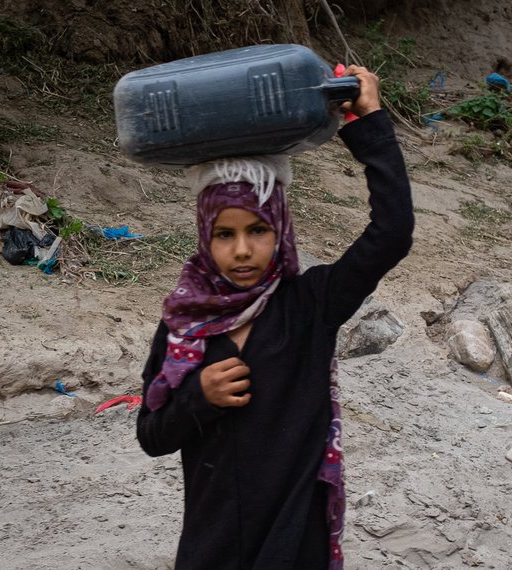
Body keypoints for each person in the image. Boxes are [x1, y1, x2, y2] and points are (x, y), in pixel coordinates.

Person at [136, 65, 413, 570]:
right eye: (225, 234)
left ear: (281, 230)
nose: (242, 250)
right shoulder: (182, 326)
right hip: (213, 542)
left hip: (294, 539)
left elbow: (392, 232)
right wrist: (199, 397)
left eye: (258, 230)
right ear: (205, 236)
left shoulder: (311, 305)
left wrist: (368, 122)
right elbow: (152, 436)